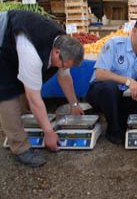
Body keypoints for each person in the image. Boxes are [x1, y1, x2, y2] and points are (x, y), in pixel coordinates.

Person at [0, 10, 84, 167]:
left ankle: (29, 124)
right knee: (8, 95)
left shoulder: (62, 44)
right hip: (3, 43)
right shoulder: (32, 53)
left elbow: (65, 76)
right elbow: (34, 97)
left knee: (27, 86)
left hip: (18, 40)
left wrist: (74, 104)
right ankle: (20, 147)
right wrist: (49, 132)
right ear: (57, 53)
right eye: (64, 64)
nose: (64, 68)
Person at [86, 15, 137, 145]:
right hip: (101, 92)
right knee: (110, 88)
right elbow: (100, 74)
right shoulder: (114, 44)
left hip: (125, 94)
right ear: (135, 31)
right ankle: (113, 130)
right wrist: (128, 81)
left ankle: (130, 123)